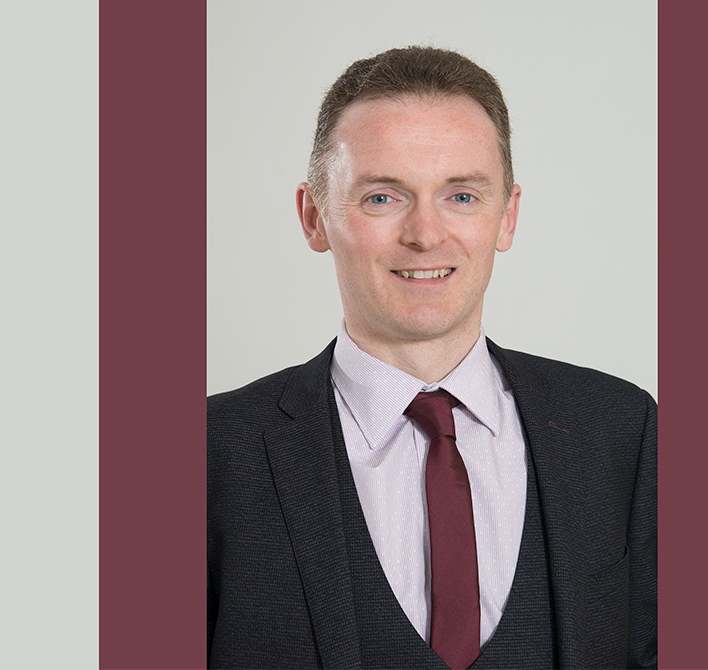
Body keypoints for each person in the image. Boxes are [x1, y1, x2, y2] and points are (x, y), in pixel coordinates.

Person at [207, 46, 657, 670]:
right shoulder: (208, 454)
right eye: (383, 197)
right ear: (314, 218)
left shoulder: (621, 430)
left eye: (463, 196)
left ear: (508, 217)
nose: (425, 234)